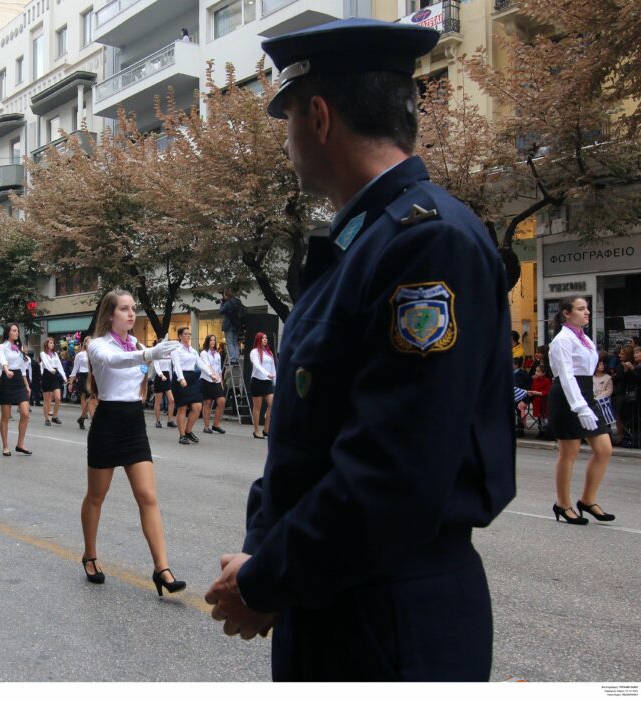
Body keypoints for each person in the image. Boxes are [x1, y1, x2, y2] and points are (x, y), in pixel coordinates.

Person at [204, 19, 515, 682]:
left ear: (318, 117)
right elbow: (301, 443)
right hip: (336, 602)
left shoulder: (425, 244)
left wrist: (267, 578)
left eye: (286, 114)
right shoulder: (362, 244)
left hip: (390, 621)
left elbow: (393, 477)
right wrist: (263, 560)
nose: (286, 136)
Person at [81, 289, 185, 594]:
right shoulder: (97, 345)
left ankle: (162, 569)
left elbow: (148, 368)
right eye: (124, 309)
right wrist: (148, 354)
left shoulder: (138, 344)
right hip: (108, 424)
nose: (131, 313)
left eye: (133, 308)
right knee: (96, 496)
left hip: (134, 425)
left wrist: (165, 358)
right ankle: (89, 555)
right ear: (110, 315)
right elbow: (115, 362)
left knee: (148, 496)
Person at [547, 297, 615, 525]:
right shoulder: (561, 340)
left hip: (586, 394)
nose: (587, 312)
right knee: (569, 453)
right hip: (567, 397)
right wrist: (579, 406)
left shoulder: (584, 338)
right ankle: (563, 504)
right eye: (581, 309)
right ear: (566, 313)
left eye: (587, 308)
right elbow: (566, 375)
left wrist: (588, 401)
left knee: (604, 449)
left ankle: (587, 499)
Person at [0, 324, 33, 456]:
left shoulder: (19, 348)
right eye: (14, 330)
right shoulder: (1, 347)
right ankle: (5, 446)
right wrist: (6, 370)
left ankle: (20, 444)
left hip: (18, 379)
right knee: (5, 416)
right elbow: (2, 360)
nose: (17, 332)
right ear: (8, 332)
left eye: (17, 330)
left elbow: (23, 368)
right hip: (7, 379)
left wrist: (27, 385)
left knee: (25, 413)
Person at [170, 327, 203, 445]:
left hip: (192, 377)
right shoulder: (176, 350)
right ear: (180, 336)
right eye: (185, 334)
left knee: (198, 406)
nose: (188, 336)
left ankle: (188, 431)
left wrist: (212, 373)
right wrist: (181, 378)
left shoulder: (193, 350)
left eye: (189, 334)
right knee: (182, 407)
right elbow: (177, 365)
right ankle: (182, 435)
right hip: (180, 378)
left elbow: (200, 363)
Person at [248, 332, 275, 439]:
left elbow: (273, 367)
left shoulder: (269, 352)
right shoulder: (254, 352)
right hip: (257, 381)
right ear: (258, 339)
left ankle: (266, 430)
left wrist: (275, 380)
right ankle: (256, 430)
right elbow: (257, 365)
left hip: (268, 382)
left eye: (266, 338)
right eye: (263, 338)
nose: (265, 340)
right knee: (257, 407)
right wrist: (267, 373)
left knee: (272, 405)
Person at [199, 334, 226, 434]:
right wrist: (212, 375)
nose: (213, 342)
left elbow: (219, 370)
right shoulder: (204, 353)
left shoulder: (218, 354)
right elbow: (207, 365)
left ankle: (216, 425)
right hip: (206, 380)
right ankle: (206, 427)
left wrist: (221, 382)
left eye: (214, 340)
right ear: (207, 342)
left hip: (217, 380)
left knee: (222, 401)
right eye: (211, 340)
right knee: (207, 403)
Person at [68, 337, 96, 430]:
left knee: (92, 399)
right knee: (90, 398)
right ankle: (93, 422)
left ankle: (82, 418)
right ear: (85, 343)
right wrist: (71, 382)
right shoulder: (80, 354)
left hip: (92, 377)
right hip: (83, 377)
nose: (90, 344)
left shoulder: (95, 354)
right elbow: (75, 368)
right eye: (88, 342)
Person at [40, 337, 67, 426]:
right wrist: (51, 369)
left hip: (54, 376)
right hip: (47, 375)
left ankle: (54, 417)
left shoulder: (55, 354)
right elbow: (46, 363)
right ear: (46, 344)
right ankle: (47, 419)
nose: (52, 344)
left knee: (58, 397)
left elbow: (59, 366)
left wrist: (64, 376)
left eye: (53, 343)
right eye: (50, 343)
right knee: (47, 399)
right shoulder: (43, 353)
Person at [219, 290, 245, 365]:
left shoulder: (228, 303)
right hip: (237, 325)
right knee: (235, 342)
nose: (223, 297)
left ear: (227, 295)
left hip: (229, 325)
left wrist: (221, 303)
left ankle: (233, 359)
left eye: (224, 295)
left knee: (229, 342)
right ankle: (236, 358)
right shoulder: (238, 302)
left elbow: (220, 311)